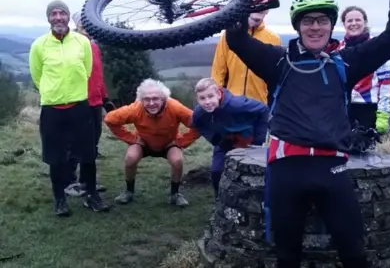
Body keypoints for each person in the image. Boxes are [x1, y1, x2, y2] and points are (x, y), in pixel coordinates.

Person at [225, 0, 390, 268]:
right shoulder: (277, 60)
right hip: (286, 168)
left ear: (331, 25)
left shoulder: (346, 62)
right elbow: (235, 37)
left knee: (354, 254)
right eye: (307, 21)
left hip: (333, 169)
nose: (315, 27)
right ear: (298, 26)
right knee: (287, 258)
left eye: (322, 20)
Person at [28, 0, 109, 216]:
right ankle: (60, 200)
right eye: (53, 14)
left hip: (79, 106)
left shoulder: (81, 42)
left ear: (66, 17)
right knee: (56, 156)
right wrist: (52, 92)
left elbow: (88, 70)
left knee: (88, 153)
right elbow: (37, 75)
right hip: (52, 109)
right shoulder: (38, 45)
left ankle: (92, 195)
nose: (58, 17)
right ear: (48, 18)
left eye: (61, 13)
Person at [103, 79, 201, 207]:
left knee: (177, 160)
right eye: (147, 99)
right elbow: (110, 119)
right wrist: (131, 139)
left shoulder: (175, 107)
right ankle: (129, 191)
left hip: (168, 142)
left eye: (155, 99)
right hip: (143, 142)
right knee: (130, 158)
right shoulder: (135, 109)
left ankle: (175, 194)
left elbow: (198, 124)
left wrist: (182, 142)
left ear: (163, 99)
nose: (151, 103)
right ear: (141, 100)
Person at [63, 12, 116, 198]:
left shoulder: (94, 46)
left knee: (92, 144)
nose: (86, 27)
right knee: (74, 144)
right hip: (77, 102)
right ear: (77, 26)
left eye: (89, 25)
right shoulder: (71, 45)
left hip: (94, 103)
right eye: (83, 24)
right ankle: (68, 182)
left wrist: (105, 98)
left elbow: (97, 76)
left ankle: (87, 181)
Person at [190, 77, 269, 198]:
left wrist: (258, 141)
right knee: (216, 172)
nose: (207, 102)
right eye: (202, 98)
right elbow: (198, 125)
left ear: (218, 93)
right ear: (197, 99)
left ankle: (254, 200)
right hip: (224, 142)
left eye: (210, 96)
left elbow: (263, 110)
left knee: (254, 172)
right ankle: (219, 199)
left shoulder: (236, 104)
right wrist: (215, 138)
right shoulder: (199, 113)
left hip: (248, 140)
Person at [337, 5, 390, 152]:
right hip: (341, 108)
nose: (353, 23)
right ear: (344, 24)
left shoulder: (377, 48)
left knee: (363, 153)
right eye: (349, 20)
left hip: (367, 108)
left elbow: (386, 85)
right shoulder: (337, 49)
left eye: (358, 20)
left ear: (365, 22)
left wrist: (383, 115)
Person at [211, 9, 281, 106]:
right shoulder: (229, 35)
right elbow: (218, 68)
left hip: (260, 103)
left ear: (267, 11)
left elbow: (276, 74)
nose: (259, 9)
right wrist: (216, 96)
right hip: (232, 101)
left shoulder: (274, 38)